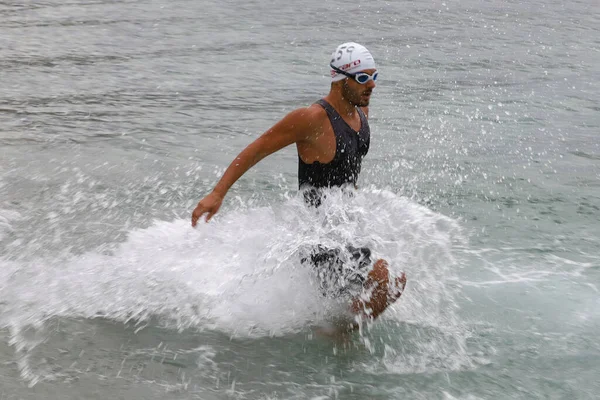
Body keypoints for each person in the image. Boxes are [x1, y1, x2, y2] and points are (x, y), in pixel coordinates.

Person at [191, 42, 406, 326]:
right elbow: (258, 148)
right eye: (363, 78)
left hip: (345, 228)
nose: (372, 86)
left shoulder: (360, 113)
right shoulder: (311, 119)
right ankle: (337, 335)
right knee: (382, 278)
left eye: (374, 77)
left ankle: (337, 332)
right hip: (314, 235)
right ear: (340, 79)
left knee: (394, 283)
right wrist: (217, 194)